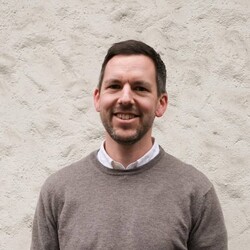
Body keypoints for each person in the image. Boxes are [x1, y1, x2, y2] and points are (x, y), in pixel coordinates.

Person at [31, 40, 227, 249]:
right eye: (114, 86)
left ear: (160, 104)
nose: (125, 98)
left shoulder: (196, 192)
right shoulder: (58, 191)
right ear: (98, 98)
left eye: (140, 88)